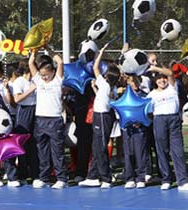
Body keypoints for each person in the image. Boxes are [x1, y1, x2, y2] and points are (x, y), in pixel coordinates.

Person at [146, 65, 188, 191]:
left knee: (178, 150)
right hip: (159, 120)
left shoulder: (172, 87)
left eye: (163, 78)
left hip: (174, 119)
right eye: (159, 79)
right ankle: (166, 179)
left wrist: (155, 68)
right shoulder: (151, 95)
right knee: (162, 150)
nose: (162, 80)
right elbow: (149, 112)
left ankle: (183, 181)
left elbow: (169, 73)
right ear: (155, 81)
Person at [78, 43, 120, 189]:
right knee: (97, 147)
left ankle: (106, 178)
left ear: (108, 75)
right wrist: (95, 88)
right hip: (102, 115)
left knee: (100, 148)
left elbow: (95, 67)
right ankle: (92, 176)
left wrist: (100, 53)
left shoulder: (105, 83)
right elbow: (102, 99)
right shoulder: (109, 87)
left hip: (102, 117)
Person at [29, 49, 68, 189]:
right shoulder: (38, 80)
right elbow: (30, 63)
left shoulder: (58, 80)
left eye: (46, 74)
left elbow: (60, 61)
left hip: (55, 120)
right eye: (42, 75)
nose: (44, 77)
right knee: (42, 151)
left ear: (52, 71)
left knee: (57, 151)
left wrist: (48, 47)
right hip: (40, 120)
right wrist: (34, 50)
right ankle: (44, 178)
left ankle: (61, 178)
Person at [13, 58, 39, 184]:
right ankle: (22, 175)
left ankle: (35, 174)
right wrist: (31, 90)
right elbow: (17, 99)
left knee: (34, 142)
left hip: (35, 110)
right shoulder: (19, 81)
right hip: (24, 111)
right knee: (22, 142)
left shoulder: (34, 80)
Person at [122, 75, 149, 189]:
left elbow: (147, 111)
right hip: (127, 128)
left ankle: (141, 177)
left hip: (139, 128)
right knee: (128, 153)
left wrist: (141, 121)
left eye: (136, 81)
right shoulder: (123, 95)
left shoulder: (144, 95)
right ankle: (130, 177)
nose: (134, 84)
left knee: (140, 153)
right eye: (131, 82)